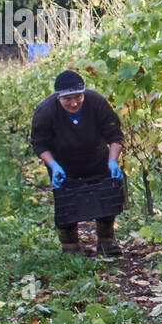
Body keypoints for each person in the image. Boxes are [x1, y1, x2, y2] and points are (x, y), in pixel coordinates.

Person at [30, 69, 126, 256]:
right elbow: (39, 144)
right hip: (63, 166)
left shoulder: (96, 102)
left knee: (105, 200)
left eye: (78, 97)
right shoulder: (46, 111)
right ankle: (70, 247)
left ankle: (107, 242)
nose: (74, 103)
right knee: (66, 205)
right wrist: (54, 165)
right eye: (68, 99)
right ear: (58, 98)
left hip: (97, 160)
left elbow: (115, 135)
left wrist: (112, 160)